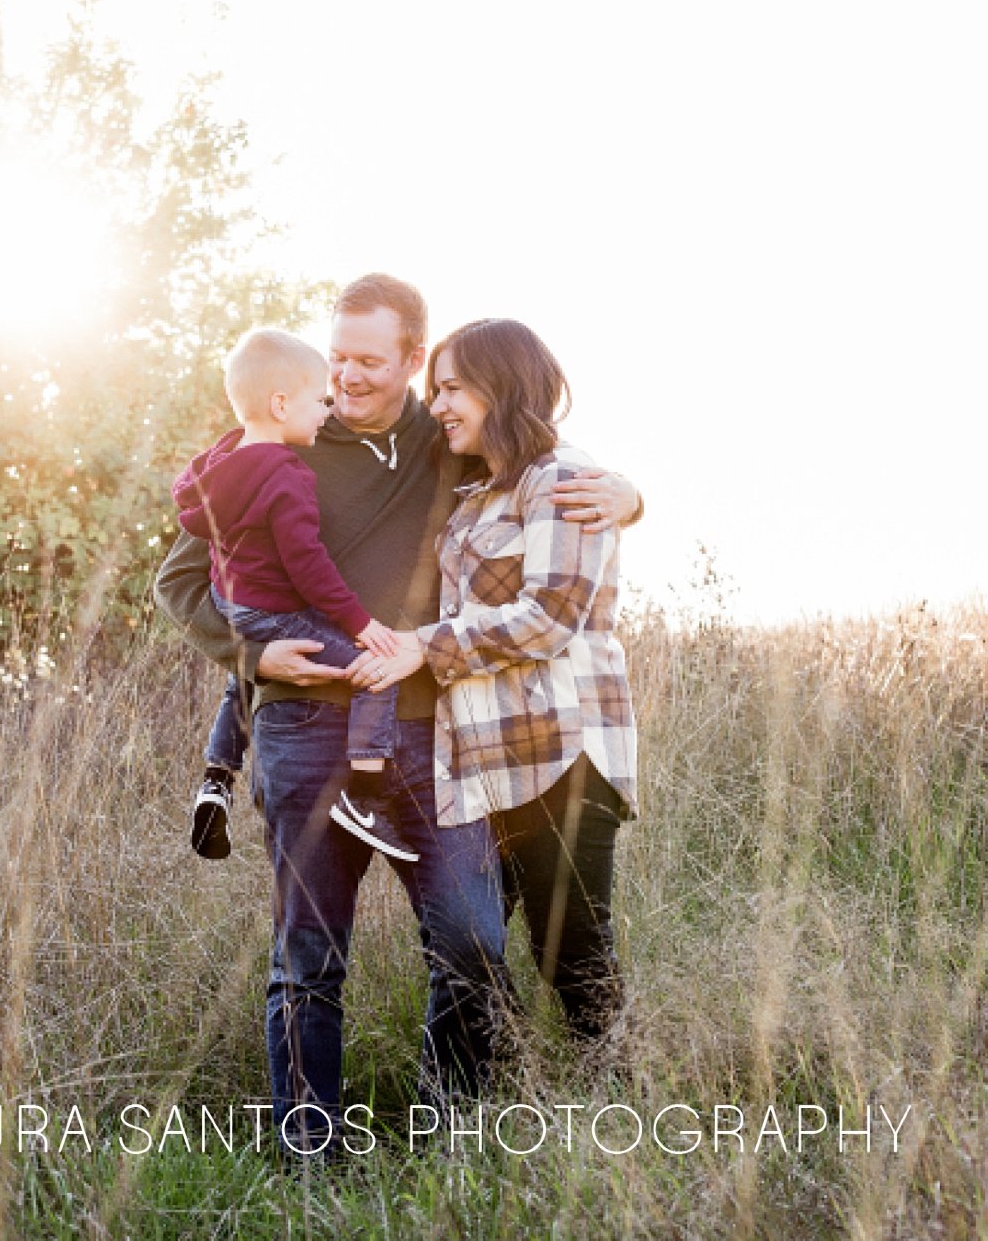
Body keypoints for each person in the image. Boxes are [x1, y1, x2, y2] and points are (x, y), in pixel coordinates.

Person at [154, 274, 642, 1156]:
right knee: (308, 958)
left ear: (413, 361)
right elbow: (180, 581)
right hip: (303, 730)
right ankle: (314, 1154)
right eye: (336, 356)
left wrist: (628, 491)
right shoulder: (284, 436)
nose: (347, 377)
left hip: (428, 734)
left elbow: (538, 468)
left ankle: (439, 1136)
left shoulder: (441, 439)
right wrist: (250, 655)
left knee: (473, 940)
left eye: (371, 361)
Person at [351, 317, 637, 1053]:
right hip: (481, 763)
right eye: (434, 388)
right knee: (466, 947)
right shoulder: (479, 490)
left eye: (453, 388)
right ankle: (460, 1124)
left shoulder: (562, 479)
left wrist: (425, 647)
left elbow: (550, 618)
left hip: (559, 751)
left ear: (501, 386)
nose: (439, 403)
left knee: (569, 956)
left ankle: (619, 1109)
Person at [174, 329, 412, 862]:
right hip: (273, 609)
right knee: (378, 669)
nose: (326, 412)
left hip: (231, 601)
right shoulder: (288, 476)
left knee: (245, 677)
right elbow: (307, 565)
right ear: (281, 404)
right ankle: (364, 795)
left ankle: (217, 777)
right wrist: (358, 623)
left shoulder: (219, 465)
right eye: (318, 401)